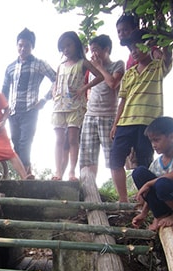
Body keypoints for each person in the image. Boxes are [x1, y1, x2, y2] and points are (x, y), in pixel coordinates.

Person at [110, 29, 173, 202]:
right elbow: (122, 101)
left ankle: (144, 200)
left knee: (144, 161)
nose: (134, 51)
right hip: (125, 122)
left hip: (148, 123)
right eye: (131, 49)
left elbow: (167, 56)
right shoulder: (129, 73)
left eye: (138, 46)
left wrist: (161, 40)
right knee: (115, 158)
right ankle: (123, 199)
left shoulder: (157, 67)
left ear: (149, 46)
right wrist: (115, 124)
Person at [2, 28, 56, 176]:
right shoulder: (11, 67)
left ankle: (25, 175)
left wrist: (44, 99)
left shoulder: (39, 64)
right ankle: (27, 173)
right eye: (20, 45)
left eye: (26, 45)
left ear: (32, 46)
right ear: (16, 45)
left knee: (25, 143)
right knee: (16, 143)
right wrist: (3, 110)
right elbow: (5, 89)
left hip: (30, 110)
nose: (23, 48)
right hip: (13, 111)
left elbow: (57, 80)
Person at [52, 31, 103, 181]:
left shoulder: (83, 63)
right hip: (59, 106)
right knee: (59, 140)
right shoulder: (60, 66)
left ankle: (72, 172)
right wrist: (55, 92)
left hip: (75, 105)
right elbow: (56, 82)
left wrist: (83, 88)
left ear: (76, 45)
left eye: (69, 45)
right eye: (63, 47)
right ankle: (58, 171)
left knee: (73, 139)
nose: (66, 49)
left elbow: (99, 76)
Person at [131, 117, 173, 231]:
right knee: (139, 172)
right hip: (166, 201)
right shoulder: (156, 163)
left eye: (157, 140)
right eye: (151, 141)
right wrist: (144, 213)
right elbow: (151, 191)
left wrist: (148, 184)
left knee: (162, 183)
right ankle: (160, 215)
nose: (153, 145)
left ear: (172, 137)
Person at [79, 35, 125, 178]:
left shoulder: (117, 64)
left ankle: (121, 195)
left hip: (108, 116)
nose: (93, 54)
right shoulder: (90, 69)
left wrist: (99, 67)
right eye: (91, 51)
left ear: (107, 49)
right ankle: (89, 190)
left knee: (113, 159)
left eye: (96, 50)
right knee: (87, 158)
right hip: (90, 115)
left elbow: (113, 84)